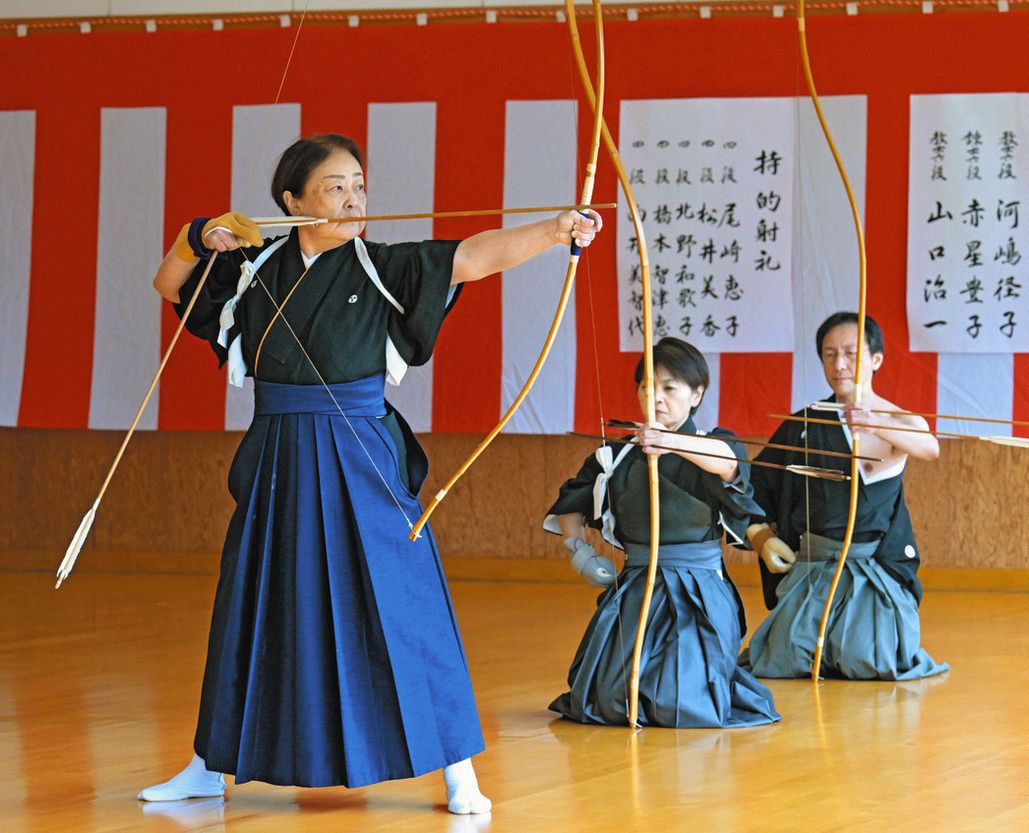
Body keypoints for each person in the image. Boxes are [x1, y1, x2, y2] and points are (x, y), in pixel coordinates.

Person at [139, 134, 602, 814]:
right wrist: (195, 235)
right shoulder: (253, 268)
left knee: (403, 601)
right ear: (292, 201)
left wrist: (558, 227)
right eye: (335, 186)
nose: (354, 197)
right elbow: (169, 283)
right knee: (255, 600)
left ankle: (458, 769)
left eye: (358, 184)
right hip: (278, 455)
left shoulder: (384, 266)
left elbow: (472, 257)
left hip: (360, 451)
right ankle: (210, 765)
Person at [544, 338, 780, 728]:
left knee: (682, 701)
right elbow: (570, 505)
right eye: (647, 387)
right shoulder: (614, 455)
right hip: (637, 586)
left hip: (698, 591)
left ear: (697, 393)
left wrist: (668, 442)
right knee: (605, 700)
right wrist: (578, 551)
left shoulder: (714, 443)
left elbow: (727, 464)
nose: (655, 398)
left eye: (669, 388)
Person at [741, 312, 948, 681]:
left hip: (871, 573)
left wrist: (871, 423)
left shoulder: (898, 420)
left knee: (869, 660)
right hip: (813, 570)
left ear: (876, 360)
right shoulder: (805, 424)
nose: (839, 364)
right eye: (829, 354)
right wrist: (761, 536)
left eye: (851, 353)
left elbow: (929, 448)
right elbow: (753, 485)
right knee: (783, 660)